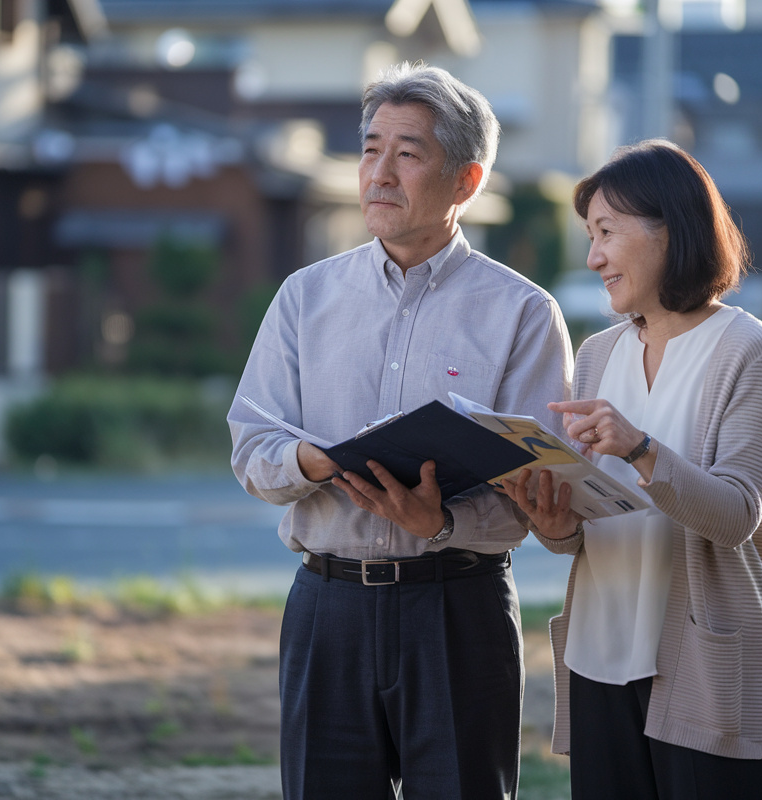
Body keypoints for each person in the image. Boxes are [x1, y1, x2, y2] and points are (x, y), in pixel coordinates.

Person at [227, 62, 572, 799]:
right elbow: (252, 447)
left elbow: (537, 486)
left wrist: (442, 521)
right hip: (328, 607)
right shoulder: (304, 297)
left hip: (458, 608)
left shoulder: (522, 313)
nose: (379, 172)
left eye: (408, 153)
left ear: (466, 181)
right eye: (370, 147)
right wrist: (313, 461)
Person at [497, 138, 762, 799]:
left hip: (708, 668)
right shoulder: (598, 354)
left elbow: (737, 515)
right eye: (589, 235)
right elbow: (590, 527)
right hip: (600, 659)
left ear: (672, 230)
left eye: (606, 232)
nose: (592, 255)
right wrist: (552, 521)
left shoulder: (749, 351)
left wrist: (641, 448)